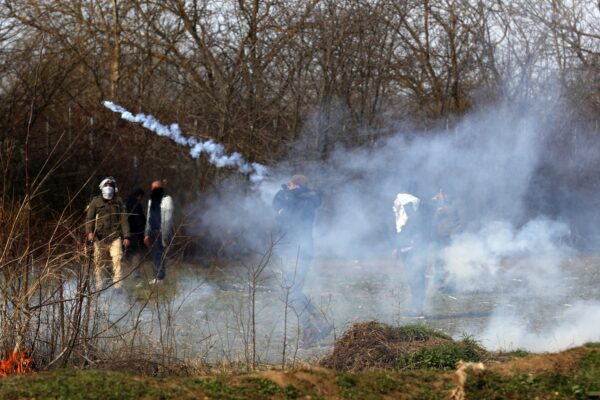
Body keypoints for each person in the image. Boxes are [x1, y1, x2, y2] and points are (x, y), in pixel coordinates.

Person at [272, 174, 327, 344]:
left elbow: (289, 221)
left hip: (297, 250)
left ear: (294, 186)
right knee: (291, 291)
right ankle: (319, 321)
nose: (287, 186)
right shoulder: (301, 198)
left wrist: (283, 209)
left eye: (290, 185)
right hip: (296, 249)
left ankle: (311, 328)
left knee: (290, 292)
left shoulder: (304, 200)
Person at [392, 188, 434, 317]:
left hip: (415, 247)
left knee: (416, 277)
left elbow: (408, 226)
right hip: (408, 247)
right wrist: (398, 247)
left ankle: (418, 309)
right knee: (413, 277)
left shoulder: (410, 205)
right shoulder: (409, 206)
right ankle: (417, 308)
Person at [85, 176, 130, 291]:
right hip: (98, 237)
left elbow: (124, 219)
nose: (108, 187)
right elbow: (89, 218)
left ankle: (118, 287)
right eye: (106, 185)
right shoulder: (95, 201)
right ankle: (99, 286)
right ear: (101, 187)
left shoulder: (119, 202)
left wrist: (127, 236)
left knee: (117, 261)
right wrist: (89, 232)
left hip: (115, 237)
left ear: (114, 188)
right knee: (98, 262)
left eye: (111, 185)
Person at [431, 189, 464, 291]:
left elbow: (463, 222)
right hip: (440, 237)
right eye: (442, 194)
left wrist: (454, 233)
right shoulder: (438, 204)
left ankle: (451, 285)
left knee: (451, 261)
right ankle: (439, 283)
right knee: (438, 260)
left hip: (451, 237)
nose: (444, 196)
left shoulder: (458, 203)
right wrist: (437, 213)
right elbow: (432, 219)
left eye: (446, 194)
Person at [143, 180, 174, 284]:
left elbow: (168, 219)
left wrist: (165, 235)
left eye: (156, 187)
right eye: (153, 187)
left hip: (161, 231)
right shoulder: (151, 201)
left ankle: (160, 277)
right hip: (152, 231)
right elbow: (148, 218)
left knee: (159, 254)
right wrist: (146, 234)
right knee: (155, 254)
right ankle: (157, 276)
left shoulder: (167, 200)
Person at [125, 188, 146, 277]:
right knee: (136, 253)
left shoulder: (123, 202)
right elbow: (139, 220)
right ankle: (135, 275)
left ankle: (119, 275)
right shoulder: (137, 205)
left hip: (123, 233)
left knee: (121, 254)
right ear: (139, 196)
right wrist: (143, 232)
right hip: (135, 233)